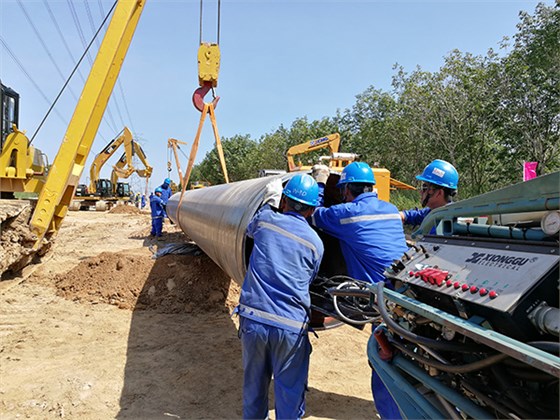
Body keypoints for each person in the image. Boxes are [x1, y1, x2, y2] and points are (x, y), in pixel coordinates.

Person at [310, 161, 408, 420]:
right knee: (407, 364)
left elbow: (313, 212)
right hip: (408, 295)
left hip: (384, 305)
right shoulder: (390, 209)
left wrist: (320, 183)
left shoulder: (346, 214)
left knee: (384, 364)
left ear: (345, 191)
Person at [236, 174, 324, 420]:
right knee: (289, 393)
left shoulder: (265, 221)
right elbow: (310, 277)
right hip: (290, 326)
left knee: (254, 388)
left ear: (284, 200)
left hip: (254, 319)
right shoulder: (316, 243)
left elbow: (250, 230)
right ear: (311, 210)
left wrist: (269, 201)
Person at [400, 159, 459, 231]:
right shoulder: (432, 212)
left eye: (424, 187)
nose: (421, 192)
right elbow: (414, 215)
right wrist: (400, 215)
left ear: (439, 193)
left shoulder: (452, 220)